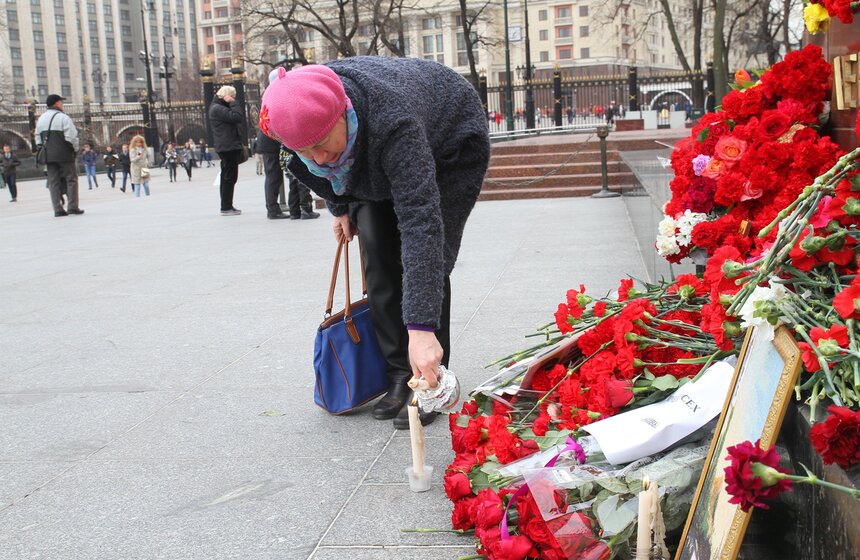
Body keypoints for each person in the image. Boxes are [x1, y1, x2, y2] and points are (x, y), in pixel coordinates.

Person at [260, 58, 490, 428]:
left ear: (341, 114)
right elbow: (323, 173)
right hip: (367, 155)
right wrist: (340, 207)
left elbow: (421, 223)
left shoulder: (393, 121)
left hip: (449, 141)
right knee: (378, 258)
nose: (318, 157)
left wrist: (420, 329)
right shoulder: (295, 143)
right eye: (307, 150)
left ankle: (429, 376)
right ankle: (400, 372)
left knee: (428, 255)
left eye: (321, 143)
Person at [35, 94, 84, 217]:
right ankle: (72, 207)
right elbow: (71, 137)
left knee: (53, 182)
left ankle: (57, 209)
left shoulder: (41, 119)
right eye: (61, 102)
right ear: (56, 103)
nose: (62, 104)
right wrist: (75, 150)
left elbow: (37, 138)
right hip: (64, 154)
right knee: (71, 179)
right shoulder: (63, 118)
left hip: (48, 155)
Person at [208, 85, 246, 216]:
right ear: (226, 95)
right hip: (228, 146)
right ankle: (226, 206)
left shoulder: (216, 107)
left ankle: (226, 205)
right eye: (232, 96)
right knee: (230, 177)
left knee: (227, 176)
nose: (234, 98)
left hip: (226, 145)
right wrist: (233, 103)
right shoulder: (218, 108)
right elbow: (237, 117)